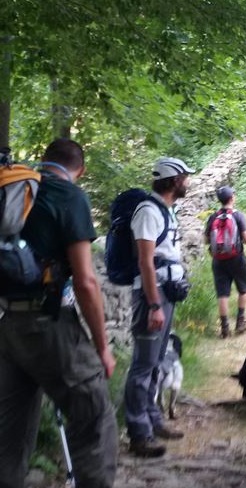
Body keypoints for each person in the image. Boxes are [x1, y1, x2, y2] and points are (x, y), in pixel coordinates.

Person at [0, 139, 118, 488]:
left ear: (45, 160)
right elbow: (85, 281)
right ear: (78, 169)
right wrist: (102, 346)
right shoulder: (69, 196)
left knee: (9, 433)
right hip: (48, 326)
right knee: (95, 417)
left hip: (6, 328)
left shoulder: (18, 191)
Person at [124, 156, 195, 458]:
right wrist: (154, 304)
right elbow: (145, 261)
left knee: (155, 362)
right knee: (143, 364)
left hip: (166, 295)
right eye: (185, 178)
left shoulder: (166, 211)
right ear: (173, 180)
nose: (188, 182)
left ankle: (152, 420)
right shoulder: (148, 212)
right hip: (152, 297)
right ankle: (138, 433)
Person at [204, 186, 246, 338]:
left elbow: (206, 240)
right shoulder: (238, 216)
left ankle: (225, 328)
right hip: (237, 258)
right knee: (243, 289)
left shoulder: (213, 217)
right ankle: (240, 322)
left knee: (222, 293)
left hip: (218, 261)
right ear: (232, 198)